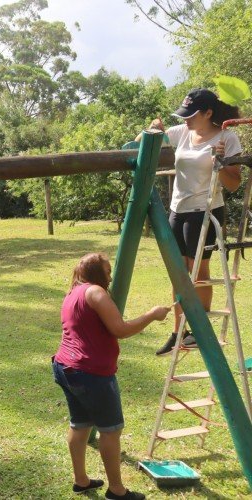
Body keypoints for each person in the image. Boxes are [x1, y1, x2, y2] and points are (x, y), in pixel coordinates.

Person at [53, 253, 170, 500]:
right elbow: (120, 329)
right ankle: (117, 491)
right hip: (90, 373)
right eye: (107, 271)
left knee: (80, 423)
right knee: (110, 430)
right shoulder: (96, 292)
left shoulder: (73, 292)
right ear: (96, 274)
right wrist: (152, 314)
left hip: (66, 367)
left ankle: (81, 480)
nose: (110, 276)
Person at [141, 88, 242, 355]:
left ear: (209, 113)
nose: (185, 119)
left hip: (206, 210)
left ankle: (199, 332)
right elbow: (142, 140)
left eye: (191, 115)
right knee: (178, 272)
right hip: (179, 209)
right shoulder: (182, 132)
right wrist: (153, 128)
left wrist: (219, 162)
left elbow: (234, 183)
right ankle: (178, 332)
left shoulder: (227, 138)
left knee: (198, 272)